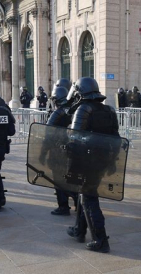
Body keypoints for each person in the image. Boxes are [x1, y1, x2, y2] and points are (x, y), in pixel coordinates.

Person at [65, 77, 119, 253]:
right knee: (85, 194)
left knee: (89, 198)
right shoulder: (109, 110)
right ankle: (79, 230)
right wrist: (111, 161)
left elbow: (74, 139)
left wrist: (69, 162)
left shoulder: (83, 109)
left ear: (80, 93)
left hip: (86, 161)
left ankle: (100, 240)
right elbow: (116, 140)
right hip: (101, 161)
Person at [42, 86, 78, 215]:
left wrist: (43, 153)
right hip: (75, 151)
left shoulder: (57, 113)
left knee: (59, 180)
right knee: (73, 179)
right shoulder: (77, 111)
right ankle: (78, 203)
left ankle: (63, 206)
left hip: (58, 151)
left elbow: (48, 134)